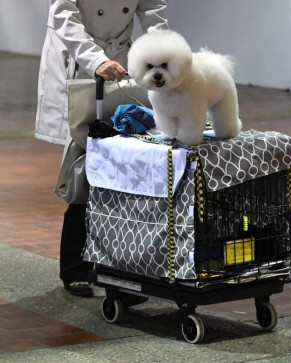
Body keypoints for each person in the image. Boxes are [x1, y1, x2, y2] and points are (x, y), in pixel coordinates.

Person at [35, 0, 168, 297]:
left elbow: (152, 9)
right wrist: (95, 60)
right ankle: (75, 266)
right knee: (85, 161)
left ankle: (122, 268)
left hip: (120, 60)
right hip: (78, 60)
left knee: (124, 163)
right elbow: (62, 14)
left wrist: (164, 55)